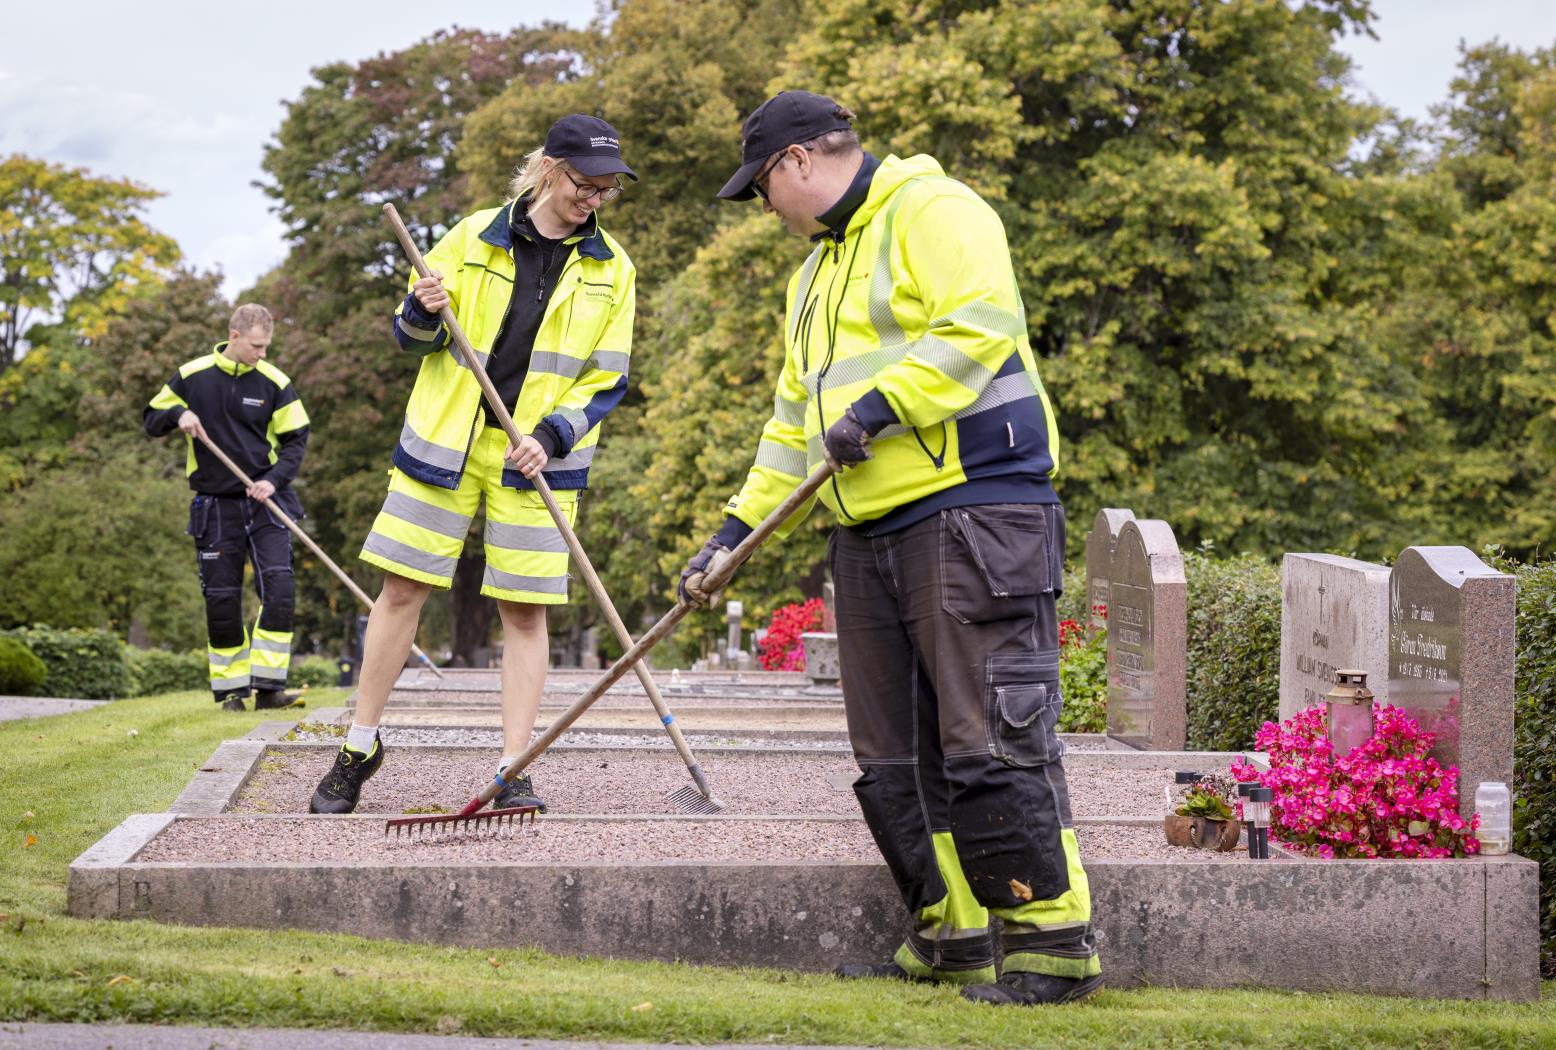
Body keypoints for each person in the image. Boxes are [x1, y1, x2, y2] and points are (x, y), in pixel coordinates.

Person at [680, 92, 1101, 1005]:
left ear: (795, 163)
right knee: (895, 755)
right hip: (867, 529)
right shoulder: (812, 279)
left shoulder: (937, 210)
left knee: (988, 733)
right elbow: (793, 429)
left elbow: (981, 325)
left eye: (759, 189)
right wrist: (731, 534)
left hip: (971, 509)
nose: (764, 209)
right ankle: (952, 934)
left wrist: (878, 408)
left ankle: (1053, 937)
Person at [308, 114, 638, 816]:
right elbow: (411, 339)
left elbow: (608, 379)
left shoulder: (615, 272)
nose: (595, 199)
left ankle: (511, 769)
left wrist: (551, 436)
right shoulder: (469, 236)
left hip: (537, 460)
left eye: (607, 189)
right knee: (401, 592)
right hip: (445, 443)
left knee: (523, 613)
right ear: (550, 169)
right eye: (586, 183)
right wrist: (421, 309)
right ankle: (358, 747)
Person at [144, 304, 309, 712]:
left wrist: (273, 480)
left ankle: (270, 689)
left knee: (280, 590)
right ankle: (232, 692)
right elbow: (151, 418)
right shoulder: (191, 376)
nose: (262, 354)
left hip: (267, 500)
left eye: (266, 346)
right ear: (234, 337)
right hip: (214, 504)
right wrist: (178, 413)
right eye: (256, 346)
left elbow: (296, 440)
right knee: (221, 597)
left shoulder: (275, 382)